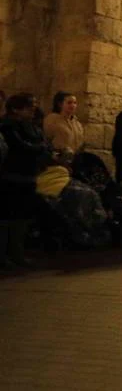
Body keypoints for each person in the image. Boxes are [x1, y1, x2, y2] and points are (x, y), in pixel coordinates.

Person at [1, 94, 50, 268]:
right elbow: (20, 147)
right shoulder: (8, 126)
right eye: (29, 106)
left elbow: (42, 145)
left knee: (22, 216)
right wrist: (39, 148)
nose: (33, 109)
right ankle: (5, 255)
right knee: (7, 216)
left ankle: (17, 252)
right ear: (15, 108)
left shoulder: (31, 126)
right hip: (11, 176)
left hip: (28, 175)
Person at [43, 92, 84, 163]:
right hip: (58, 160)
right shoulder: (52, 119)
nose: (73, 105)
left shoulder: (77, 123)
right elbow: (46, 139)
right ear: (60, 104)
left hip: (74, 160)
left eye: (75, 103)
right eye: (69, 103)